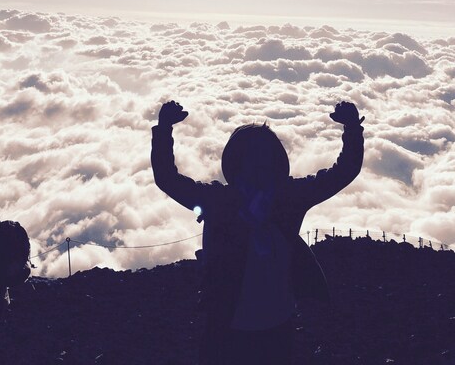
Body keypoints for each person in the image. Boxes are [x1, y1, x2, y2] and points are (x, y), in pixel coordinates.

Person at [151, 99, 365, 365]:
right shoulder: (281, 198)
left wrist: (353, 129)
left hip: (254, 324)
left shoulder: (232, 201)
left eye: (264, 159)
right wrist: (163, 129)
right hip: (240, 324)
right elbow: (167, 179)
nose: (259, 167)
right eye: (253, 159)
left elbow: (343, 172)